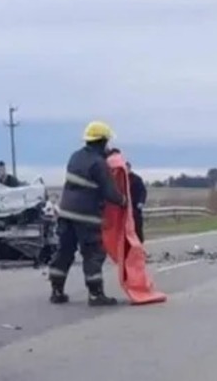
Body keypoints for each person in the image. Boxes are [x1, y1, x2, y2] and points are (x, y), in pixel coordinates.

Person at [47, 121, 127, 306]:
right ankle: (95, 294)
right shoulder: (99, 164)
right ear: (102, 141)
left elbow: (88, 166)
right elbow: (109, 192)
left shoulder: (75, 157)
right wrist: (124, 201)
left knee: (64, 251)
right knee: (93, 253)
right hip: (87, 217)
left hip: (66, 213)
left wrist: (107, 155)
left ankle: (56, 291)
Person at [126, 161, 148, 243]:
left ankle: (139, 247)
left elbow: (143, 191)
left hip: (135, 207)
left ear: (129, 168)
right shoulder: (119, 179)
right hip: (124, 208)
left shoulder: (136, 179)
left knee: (137, 229)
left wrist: (141, 202)